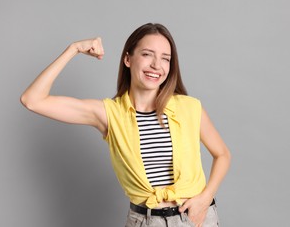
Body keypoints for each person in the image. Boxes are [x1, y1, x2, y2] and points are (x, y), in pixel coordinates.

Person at [20, 23, 231, 227]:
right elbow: (32, 100)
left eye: (165, 59)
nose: (157, 65)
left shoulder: (190, 107)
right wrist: (73, 49)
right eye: (147, 54)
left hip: (196, 219)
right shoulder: (109, 114)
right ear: (128, 59)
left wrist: (205, 198)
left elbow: (222, 154)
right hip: (146, 221)